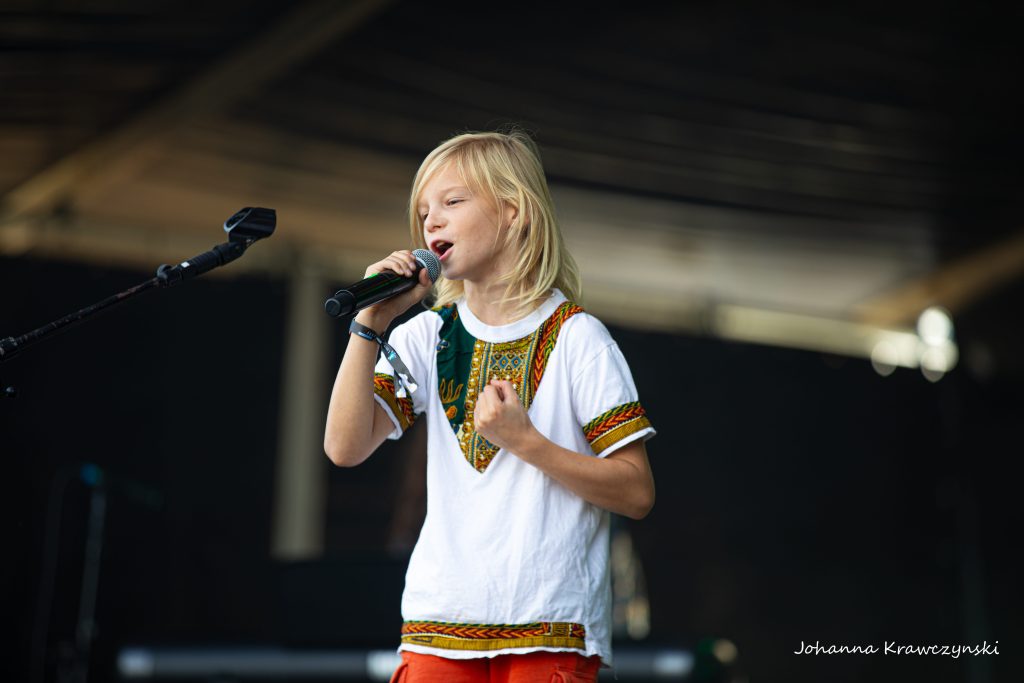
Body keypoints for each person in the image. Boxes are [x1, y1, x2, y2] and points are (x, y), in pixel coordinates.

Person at [324, 129, 656, 683]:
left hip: (551, 626)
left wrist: (526, 443)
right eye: (424, 210)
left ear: (514, 213)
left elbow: (636, 491)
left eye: (453, 202)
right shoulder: (424, 335)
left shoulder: (578, 338)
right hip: (437, 624)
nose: (431, 222)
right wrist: (369, 323)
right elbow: (344, 446)